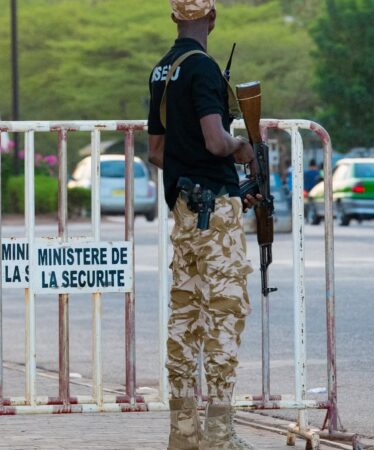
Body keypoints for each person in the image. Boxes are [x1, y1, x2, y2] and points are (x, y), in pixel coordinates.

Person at [147, 1, 260, 448]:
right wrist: (243, 151)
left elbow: (157, 152)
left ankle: (183, 432)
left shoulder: (162, 69)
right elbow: (216, 140)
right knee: (224, 314)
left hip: (185, 211)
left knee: (185, 316)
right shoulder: (204, 69)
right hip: (215, 210)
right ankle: (219, 433)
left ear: (174, 17)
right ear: (211, 19)